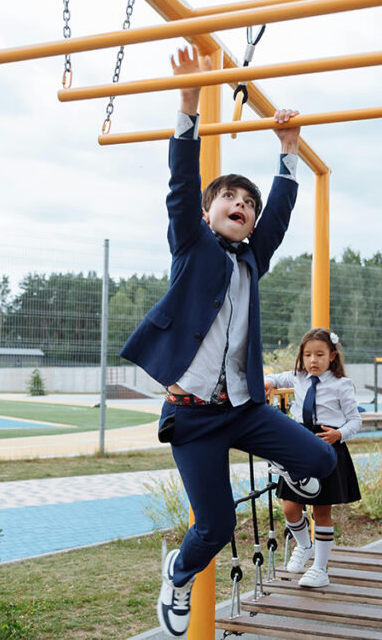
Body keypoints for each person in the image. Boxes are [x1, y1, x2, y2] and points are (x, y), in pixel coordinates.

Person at [119, 46, 336, 638]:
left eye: (248, 204)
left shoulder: (251, 261)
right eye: (231, 201)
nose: (241, 207)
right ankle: (180, 574)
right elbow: (181, 186)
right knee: (213, 528)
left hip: (243, 409)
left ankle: (290, 499)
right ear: (210, 213)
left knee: (319, 457)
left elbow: (280, 218)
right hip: (191, 415)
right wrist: (189, 103)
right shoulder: (192, 247)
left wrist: (288, 152)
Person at [264, 327, 362, 588]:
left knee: (321, 510)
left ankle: (320, 568)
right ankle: (304, 546)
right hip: (298, 444)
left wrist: (339, 434)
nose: (313, 360)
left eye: (319, 354)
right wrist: (270, 382)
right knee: (290, 506)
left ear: (332, 355)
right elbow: (275, 377)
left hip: (327, 444)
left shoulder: (341, 384)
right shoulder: (298, 376)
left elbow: (355, 420)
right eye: (308, 355)